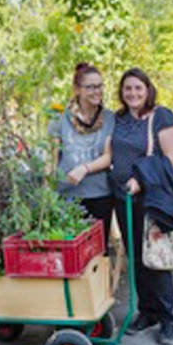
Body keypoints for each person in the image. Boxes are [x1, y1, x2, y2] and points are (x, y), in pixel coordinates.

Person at [110, 67, 173, 345]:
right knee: (137, 259)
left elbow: (172, 160)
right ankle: (147, 312)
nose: (132, 93)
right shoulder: (118, 119)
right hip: (123, 200)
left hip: (151, 200)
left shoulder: (161, 116)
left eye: (138, 88)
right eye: (127, 88)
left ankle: (168, 319)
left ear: (147, 89)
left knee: (156, 258)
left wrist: (140, 182)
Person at [49, 62, 115, 245]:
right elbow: (52, 159)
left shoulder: (109, 118)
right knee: (69, 251)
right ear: (77, 89)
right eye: (90, 87)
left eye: (100, 86)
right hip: (67, 195)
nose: (97, 91)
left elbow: (108, 156)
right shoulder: (59, 118)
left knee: (98, 253)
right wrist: (48, 188)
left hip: (99, 195)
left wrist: (84, 169)